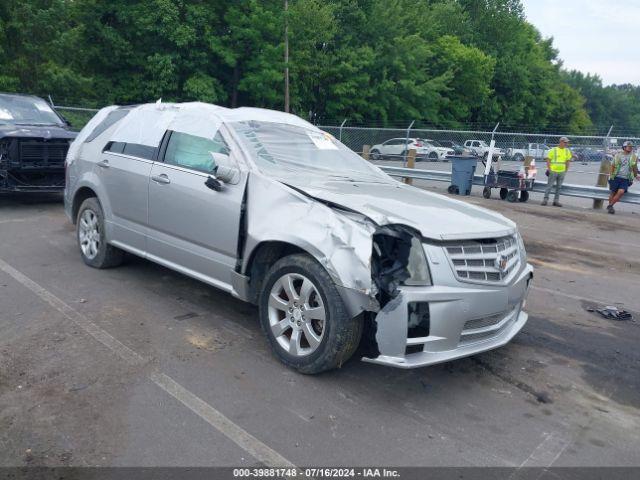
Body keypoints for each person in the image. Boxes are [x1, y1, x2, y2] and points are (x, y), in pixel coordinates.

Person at [606, 141, 639, 214]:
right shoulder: (618, 155)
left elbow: (634, 167)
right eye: (629, 146)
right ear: (624, 147)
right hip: (616, 177)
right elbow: (612, 165)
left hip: (626, 178)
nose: (630, 148)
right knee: (613, 193)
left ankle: (610, 205)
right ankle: (610, 208)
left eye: (631, 147)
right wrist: (611, 175)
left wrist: (636, 175)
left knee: (621, 191)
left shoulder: (634, 157)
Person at [542, 137, 572, 207]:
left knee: (559, 187)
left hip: (562, 172)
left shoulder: (567, 151)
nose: (566, 144)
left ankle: (556, 201)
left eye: (567, 142)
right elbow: (548, 160)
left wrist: (566, 170)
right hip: (553, 171)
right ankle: (545, 200)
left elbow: (568, 161)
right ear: (561, 142)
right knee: (549, 186)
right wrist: (550, 169)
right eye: (565, 142)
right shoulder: (553, 150)